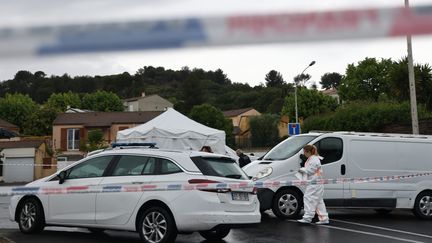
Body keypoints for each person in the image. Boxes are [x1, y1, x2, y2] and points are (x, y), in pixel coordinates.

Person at [297, 144, 329, 225]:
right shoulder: (314, 158)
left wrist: (302, 169)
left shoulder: (313, 160)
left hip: (314, 184)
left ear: (307, 152)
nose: (303, 154)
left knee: (308, 198)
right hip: (317, 183)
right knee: (318, 201)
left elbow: (311, 171)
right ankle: (324, 218)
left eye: (304, 152)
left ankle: (307, 218)